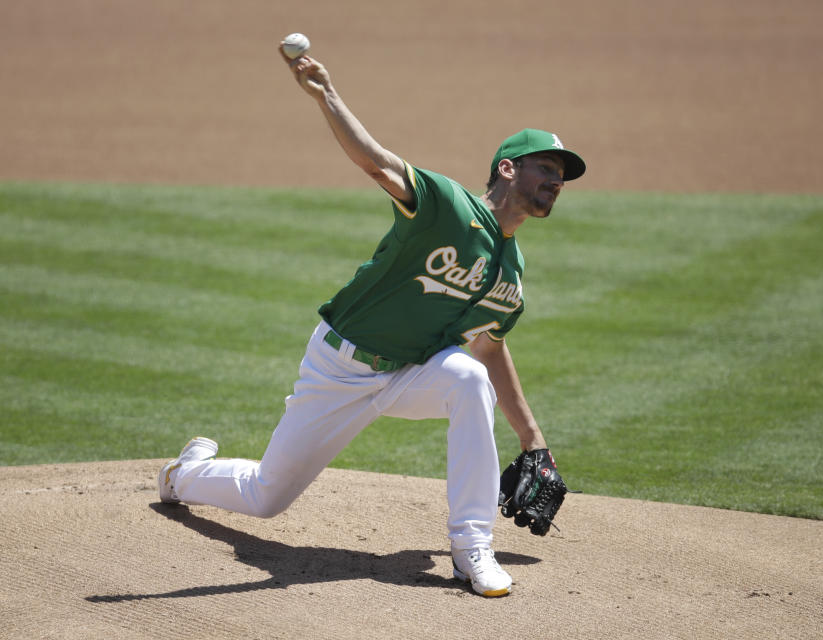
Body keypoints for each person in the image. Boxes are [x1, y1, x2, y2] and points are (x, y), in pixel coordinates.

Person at [158, 46, 586, 598]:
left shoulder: (513, 272)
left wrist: (534, 442)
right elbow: (376, 161)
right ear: (508, 168)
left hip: (408, 375)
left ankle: (471, 547)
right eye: (546, 169)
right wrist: (326, 94)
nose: (556, 182)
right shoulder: (447, 206)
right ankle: (183, 475)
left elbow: (489, 348)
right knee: (268, 496)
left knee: (466, 378)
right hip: (340, 366)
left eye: (561, 177)